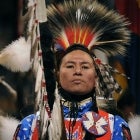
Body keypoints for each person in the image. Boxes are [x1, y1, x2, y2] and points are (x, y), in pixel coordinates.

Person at [13, 0, 132, 139]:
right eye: (70, 66)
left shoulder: (115, 127)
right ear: (57, 74)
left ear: (96, 76)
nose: (77, 71)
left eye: (85, 66)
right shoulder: (31, 126)